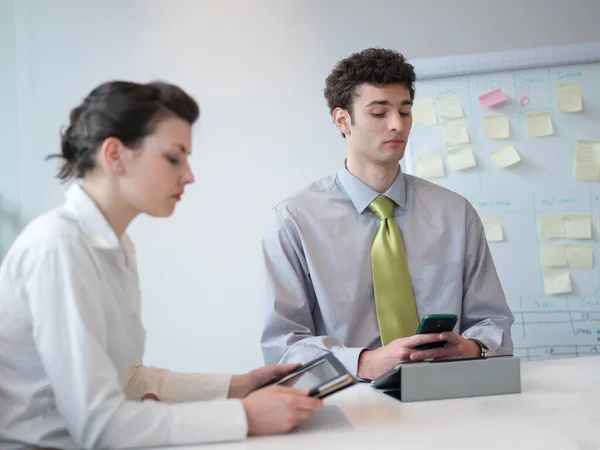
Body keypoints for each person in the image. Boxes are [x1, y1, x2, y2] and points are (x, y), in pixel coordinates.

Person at [0, 80, 322, 449]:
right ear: (115, 155)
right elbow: (101, 425)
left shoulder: (114, 244)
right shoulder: (59, 246)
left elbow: (129, 380)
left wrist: (238, 386)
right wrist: (245, 417)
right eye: (174, 158)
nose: (189, 175)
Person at [260, 48, 515, 381]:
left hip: (450, 395)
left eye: (405, 111)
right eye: (379, 113)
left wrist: (472, 347)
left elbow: (493, 322)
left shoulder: (455, 213)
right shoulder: (294, 221)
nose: (397, 125)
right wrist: (365, 362)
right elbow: (283, 345)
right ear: (342, 120)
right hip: (349, 404)